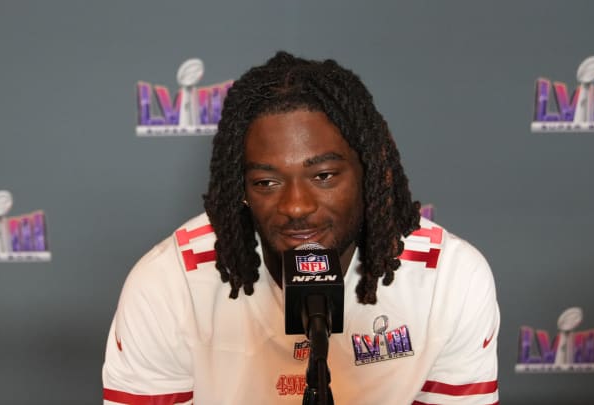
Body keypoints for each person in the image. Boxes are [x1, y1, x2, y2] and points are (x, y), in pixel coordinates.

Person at [102, 52, 499, 405]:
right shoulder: (167, 285)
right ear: (240, 187)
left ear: (372, 170)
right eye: (266, 183)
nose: (296, 207)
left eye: (324, 175)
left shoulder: (451, 279)